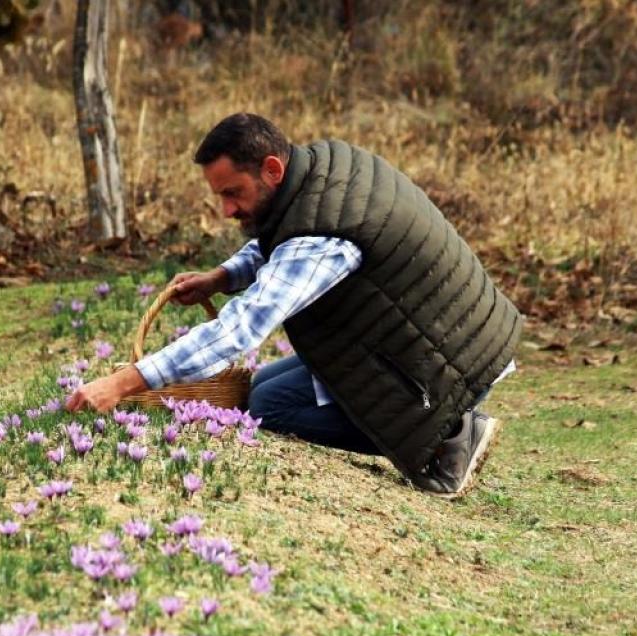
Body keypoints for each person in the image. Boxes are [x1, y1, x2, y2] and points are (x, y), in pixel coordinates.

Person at [65, 113, 522, 497]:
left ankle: (446, 435)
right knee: (264, 390)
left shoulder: (323, 236)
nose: (226, 210)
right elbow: (276, 239)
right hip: (441, 334)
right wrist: (222, 277)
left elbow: (238, 331)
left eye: (231, 193)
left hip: (444, 363)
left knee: (270, 408)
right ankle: (444, 424)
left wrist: (122, 383)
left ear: (271, 169)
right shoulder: (319, 172)